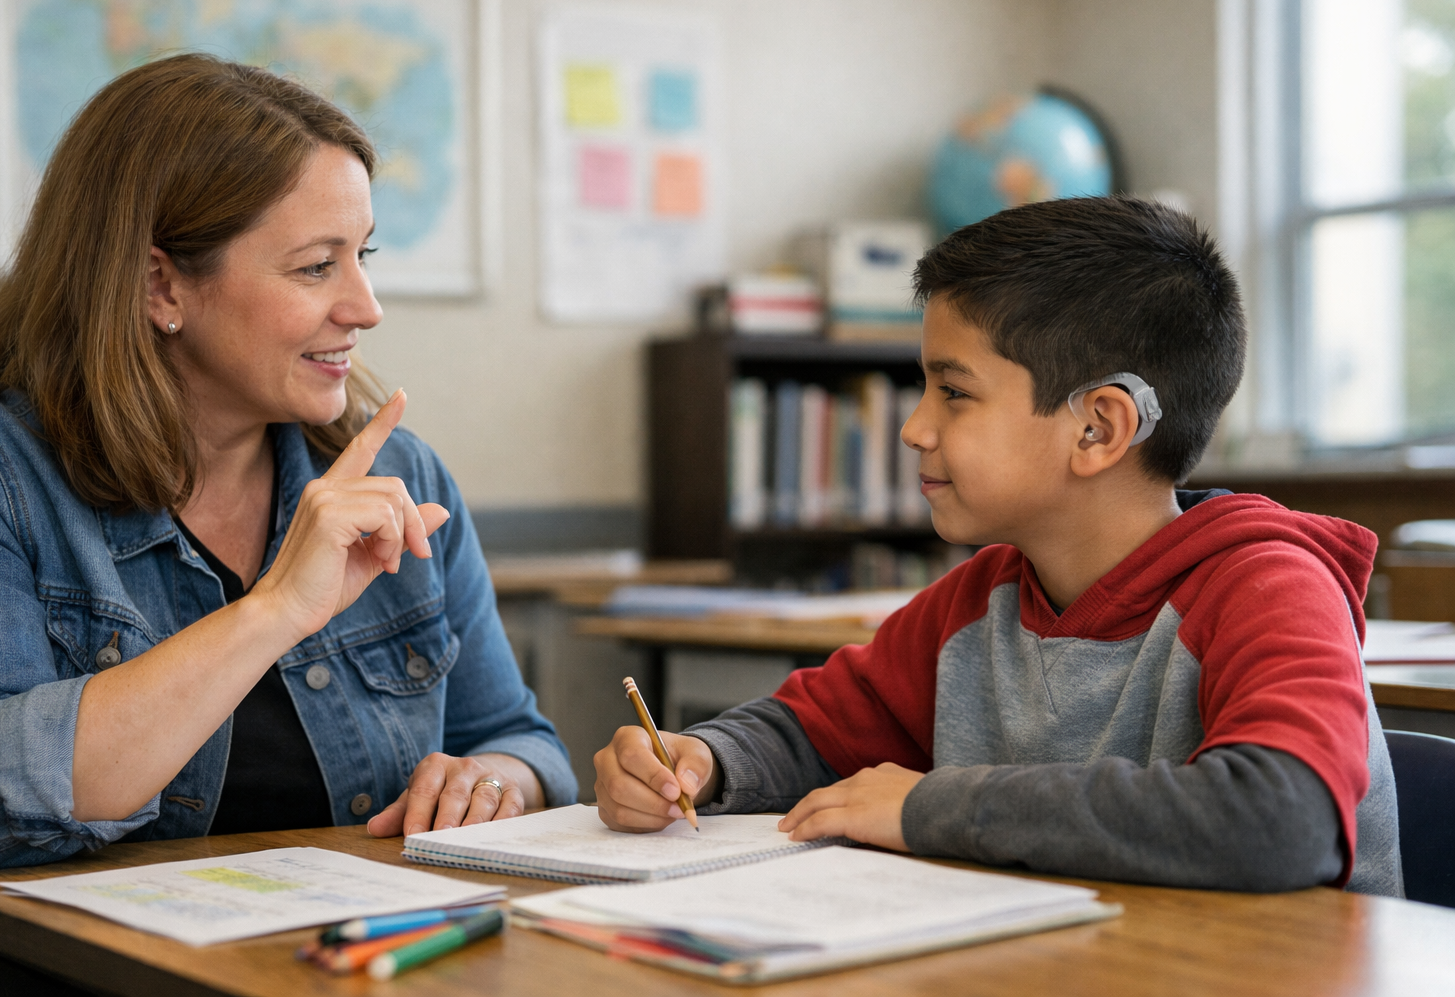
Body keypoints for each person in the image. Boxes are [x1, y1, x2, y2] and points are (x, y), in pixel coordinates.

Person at [0, 54, 576, 989]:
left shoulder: (400, 473)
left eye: (363, 256)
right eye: (316, 267)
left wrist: (494, 781)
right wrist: (271, 611)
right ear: (161, 287)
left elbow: (521, 737)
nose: (365, 307)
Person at [594, 197, 1401, 897]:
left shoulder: (1270, 589)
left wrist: (933, 808)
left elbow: (1280, 820)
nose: (915, 428)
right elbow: (813, 731)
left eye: (954, 392)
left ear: (1099, 428)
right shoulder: (984, 597)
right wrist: (702, 761)